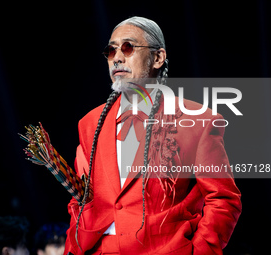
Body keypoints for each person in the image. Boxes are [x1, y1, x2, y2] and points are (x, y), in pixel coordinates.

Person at [63, 16, 242, 255]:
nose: (117, 57)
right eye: (111, 50)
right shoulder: (90, 123)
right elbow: (80, 198)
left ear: (158, 58)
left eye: (128, 47)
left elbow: (223, 200)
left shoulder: (197, 120)